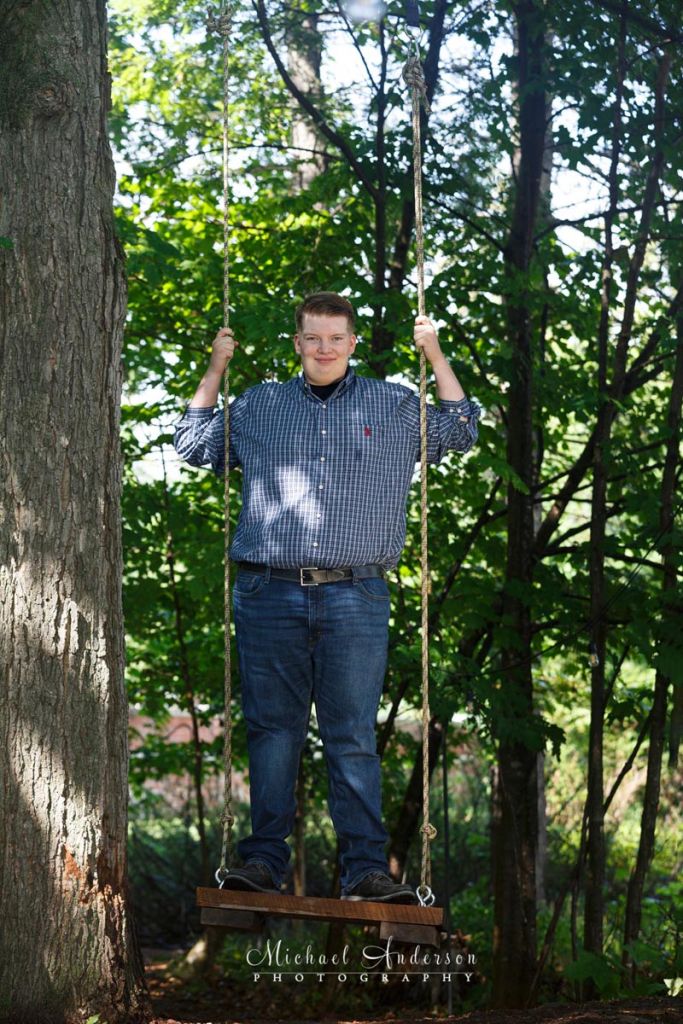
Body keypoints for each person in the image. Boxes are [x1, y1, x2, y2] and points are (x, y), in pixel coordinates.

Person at [173, 292, 480, 904]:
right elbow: (191, 443)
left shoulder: (393, 405)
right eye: (313, 337)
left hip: (356, 593)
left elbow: (461, 428)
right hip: (268, 590)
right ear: (297, 342)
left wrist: (435, 353)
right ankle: (262, 863)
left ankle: (365, 871)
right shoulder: (259, 405)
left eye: (335, 338)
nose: (324, 348)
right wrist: (215, 369)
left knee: (351, 737)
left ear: (352, 344)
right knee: (272, 733)